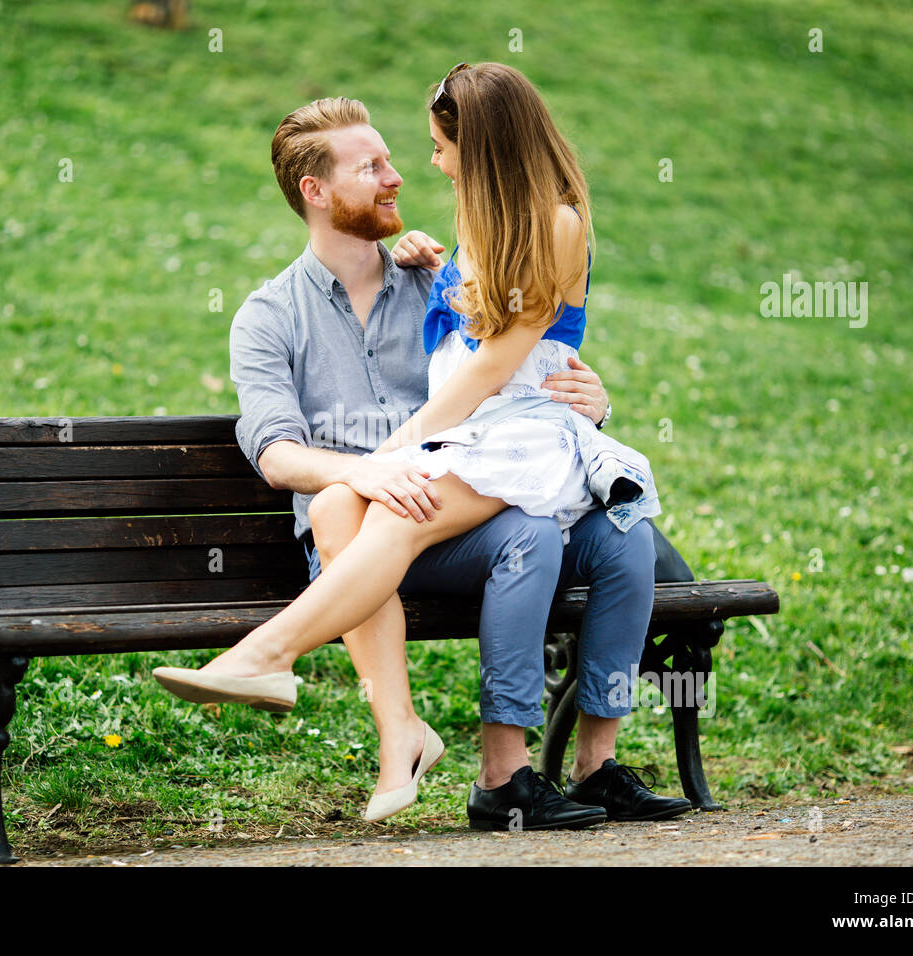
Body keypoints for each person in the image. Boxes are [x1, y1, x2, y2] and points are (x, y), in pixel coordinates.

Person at [155, 72, 692, 827]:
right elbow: (279, 456)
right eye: (371, 166)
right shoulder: (270, 316)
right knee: (352, 500)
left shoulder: (430, 274)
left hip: (466, 482)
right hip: (394, 508)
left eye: (417, 152)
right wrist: (375, 465)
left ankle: (584, 768)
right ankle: (432, 745)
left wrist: (587, 402)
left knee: (623, 539)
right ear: (315, 190)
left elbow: (508, 366)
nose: (406, 172)